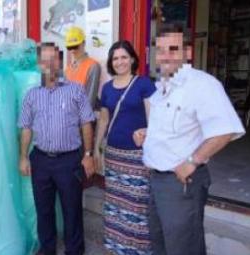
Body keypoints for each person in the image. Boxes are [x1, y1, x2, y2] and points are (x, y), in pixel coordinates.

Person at [133, 31, 245, 255]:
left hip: (181, 181)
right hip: (157, 180)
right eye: (160, 50)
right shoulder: (162, 86)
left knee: (183, 247)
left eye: (173, 49)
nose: (165, 56)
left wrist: (193, 161)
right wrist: (148, 133)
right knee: (160, 241)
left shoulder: (202, 84)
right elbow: (178, 127)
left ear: (188, 52)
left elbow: (225, 130)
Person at [19, 42, 96, 255]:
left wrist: (88, 155)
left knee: (72, 209)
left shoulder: (75, 90)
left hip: (69, 160)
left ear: (60, 61)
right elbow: (25, 127)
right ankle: (47, 248)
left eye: (53, 58)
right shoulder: (32, 95)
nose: (49, 64)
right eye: (44, 59)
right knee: (43, 210)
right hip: (40, 160)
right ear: (39, 63)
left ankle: (74, 250)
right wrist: (23, 157)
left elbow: (86, 123)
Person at [93, 40, 155, 255]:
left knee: (137, 205)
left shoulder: (144, 84)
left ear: (132, 59)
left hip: (137, 156)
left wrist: (150, 142)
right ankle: (116, 246)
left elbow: (154, 119)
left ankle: (138, 249)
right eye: (115, 58)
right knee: (115, 204)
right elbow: (103, 120)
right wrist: (96, 149)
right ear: (111, 62)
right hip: (113, 155)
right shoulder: (107, 88)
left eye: (124, 57)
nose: (119, 62)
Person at [64, 26, 101, 109]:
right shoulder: (68, 69)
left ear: (83, 43)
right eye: (70, 47)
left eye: (75, 46)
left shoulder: (93, 66)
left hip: (83, 119)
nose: (73, 50)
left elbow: (89, 101)